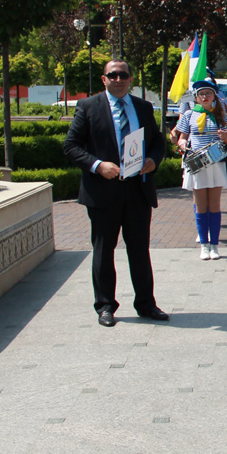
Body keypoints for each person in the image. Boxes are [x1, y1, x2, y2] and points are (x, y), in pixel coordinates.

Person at [62, 60, 168, 327]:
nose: (118, 79)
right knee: (103, 250)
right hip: (102, 191)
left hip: (137, 189)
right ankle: (105, 306)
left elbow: (158, 142)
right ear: (104, 78)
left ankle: (146, 304)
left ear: (130, 79)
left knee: (139, 251)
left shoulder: (142, 107)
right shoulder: (88, 107)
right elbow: (71, 146)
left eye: (123, 75)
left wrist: (154, 161)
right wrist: (98, 166)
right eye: (113, 75)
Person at [174, 80, 227, 259]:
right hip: (197, 162)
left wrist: (225, 137)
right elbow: (182, 136)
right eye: (201, 94)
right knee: (201, 205)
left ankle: (215, 245)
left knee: (215, 205)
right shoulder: (188, 115)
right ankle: (204, 244)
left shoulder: (220, 115)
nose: (205, 97)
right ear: (196, 97)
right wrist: (182, 143)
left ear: (214, 96)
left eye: (208, 94)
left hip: (216, 161)